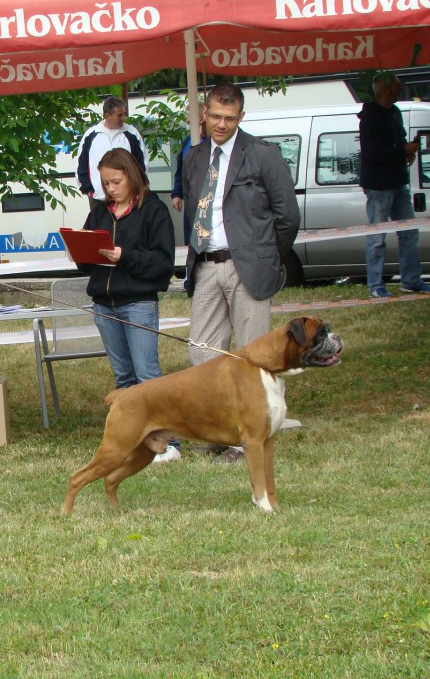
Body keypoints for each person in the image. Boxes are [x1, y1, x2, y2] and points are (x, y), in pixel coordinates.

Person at [182, 83, 301, 462]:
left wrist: (266, 257)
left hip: (249, 265)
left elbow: (288, 217)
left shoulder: (264, 155)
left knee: (254, 358)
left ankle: (244, 440)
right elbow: (192, 212)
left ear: (241, 117)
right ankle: (216, 429)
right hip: (205, 264)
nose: (221, 124)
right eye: (215, 116)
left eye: (229, 119)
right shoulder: (193, 157)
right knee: (202, 352)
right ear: (204, 113)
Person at [76, 148, 177, 460]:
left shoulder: (153, 210)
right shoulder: (99, 212)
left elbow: (163, 263)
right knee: (124, 379)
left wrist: (125, 257)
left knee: (148, 376)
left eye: (115, 181)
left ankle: (167, 443)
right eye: (105, 183)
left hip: (138, 303)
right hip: (104, 304)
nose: (110, 189)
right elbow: (86, 265)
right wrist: (81, 249)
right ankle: (134, 440)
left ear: (131, 177)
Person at [358, 72, 430, 299]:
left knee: (409, 232)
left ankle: (411, 280)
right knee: (377, 237)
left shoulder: (395, 113)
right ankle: (375, 284)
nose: (401, 88)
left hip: (398, 181)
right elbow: (373, 153)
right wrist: (402, 151)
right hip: (379, 186)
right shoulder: (370, 118)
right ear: (385, 90)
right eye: (397, 84)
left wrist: (406, 150)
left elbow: (397, 142)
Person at [76, 96, 149, 212]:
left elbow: (141, 165)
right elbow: (81, 166)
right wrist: (90, 191)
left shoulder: (132, 134)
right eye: (119, 115)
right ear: (107, 116)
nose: (123, 118)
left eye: (124, 114)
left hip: (127, 198)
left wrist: (138, 190)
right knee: (100, 229)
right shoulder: (91, 135)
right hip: (98, 198)